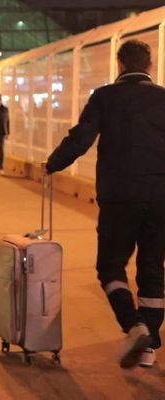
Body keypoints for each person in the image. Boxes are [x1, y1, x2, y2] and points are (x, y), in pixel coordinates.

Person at [44, 39, 165, 369]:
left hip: (118, 198)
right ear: (150, 66)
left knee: (111, 267)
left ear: (120, 65)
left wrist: (53, 163)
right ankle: (149, 345)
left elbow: (81, 138)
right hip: (159, 199)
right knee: (152, 269)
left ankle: (133, 326)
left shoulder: (105, 97)